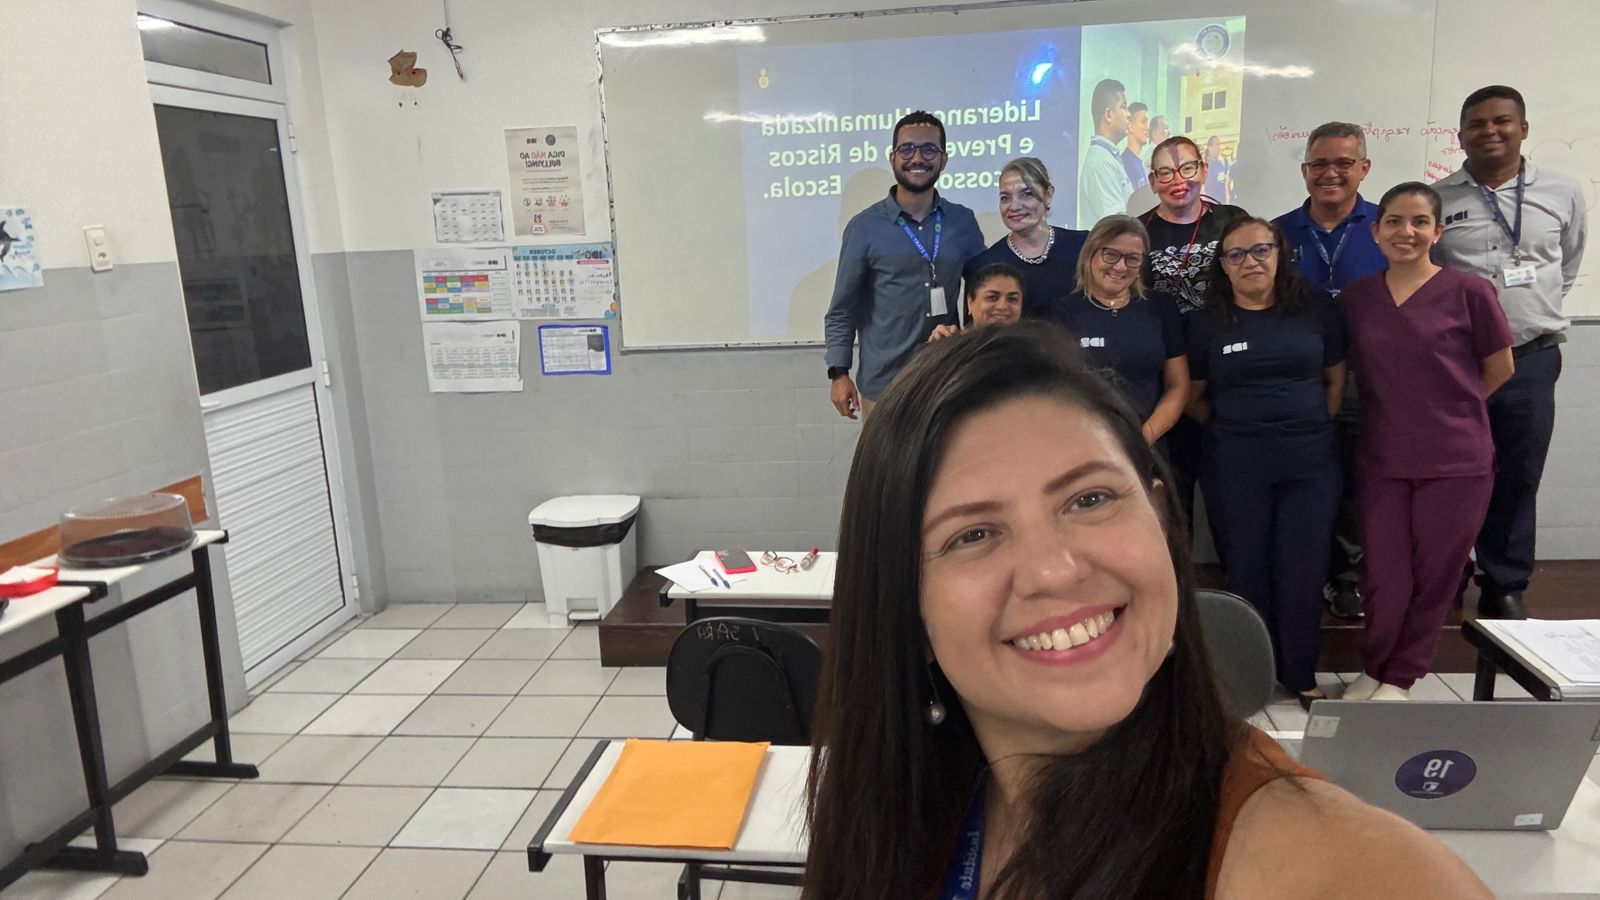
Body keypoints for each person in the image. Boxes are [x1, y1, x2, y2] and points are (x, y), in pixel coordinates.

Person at [799, 321, 1491, 900]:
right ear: (905, 609)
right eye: (972, 534)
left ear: (1162, 515)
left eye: (1090, 499)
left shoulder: (1349, 875)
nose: (1054, 569)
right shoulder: (903, 815)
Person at [1339, 183, 1515, 702]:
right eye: (1394, 221)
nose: (1406, 232)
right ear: (1376, 231)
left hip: (1456, 460)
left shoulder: (1469, 292)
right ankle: (1376, 666)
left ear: (1438, 231)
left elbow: (1499, 367)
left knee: (1435, 575)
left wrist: (1449, 411)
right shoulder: (1357, 299)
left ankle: (1403, 675)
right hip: (1383, 456)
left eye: (1419, 222)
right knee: (1384, 576)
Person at [1434, 85, 1588, 619]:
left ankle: (1505, 581)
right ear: (1460, 136)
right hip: (1456, 365)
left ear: (1523, 128)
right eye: (1477, 124)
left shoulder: (1563, 191)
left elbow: (1565, 267)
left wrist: (1522, 315)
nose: (1490, 131)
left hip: (1530, 357)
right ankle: (1448, 574)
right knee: (1452, 474)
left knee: (1519, 474)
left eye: (1502, 121)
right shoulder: (1439, 199)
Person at [1187, 218, 1347, 709]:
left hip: (1310, 463)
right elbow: (1193, 397)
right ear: (1222, 266)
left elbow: (1335, 382)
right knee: (1247, 571)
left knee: (1301, 570)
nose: (1250, 261)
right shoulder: (1206, 321)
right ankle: (1248, 677)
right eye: (1236, 254)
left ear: (1280, 253)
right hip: (1236, 463)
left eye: (1260, 250)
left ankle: (1300, 673)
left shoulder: (1316, 309)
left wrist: (1302, 425)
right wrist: (1240, 428)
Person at [1272, 122, 1389, 622]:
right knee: (1308, 481)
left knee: (1360, 481)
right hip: (1301, 380)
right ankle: (1305, 575)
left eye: (1343, 163)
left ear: (1364, 168)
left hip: (1371, 378)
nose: (1331, 173)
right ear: (1304, 172)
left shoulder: (1388, 226)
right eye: (1319, 164)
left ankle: (1347, 579)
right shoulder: (1277, 233)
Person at [824, 111, 986, 420]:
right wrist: (839, 373)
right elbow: (842, 309)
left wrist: (969, 337)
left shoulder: (962, 222)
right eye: (907, 149)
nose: (917, 158)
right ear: (892, 158)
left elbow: (982, 293)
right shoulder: (864, 228)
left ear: (943, 159)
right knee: (884, 470)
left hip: (945, 381)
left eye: (929, 150)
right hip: (884, 386)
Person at [1140, 135, 1248, 531]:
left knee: (1233, 485)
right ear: (1152, 182)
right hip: (1166, 373)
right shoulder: (1140, 232)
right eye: (1165, 172)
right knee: (1175, 485)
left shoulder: (1231, 221)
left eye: (1186, 168)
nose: (1177, 180)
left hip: (1227, 366)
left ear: (1203, 170)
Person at [1053, 216, 1187, 447]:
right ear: (1090, 253)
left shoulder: (1161, 307)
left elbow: (1178, 385)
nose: (1120, 266)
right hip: (1084, 445)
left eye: (1132, 258)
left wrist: (1144, 439)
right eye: (1111, 255)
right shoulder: (1062, 313)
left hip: (1148, 447)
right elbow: (1055, 389)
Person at [964, 157, 1087, 325]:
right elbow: (975, 332)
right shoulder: (984, 265)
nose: (1014, 206)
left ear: (1048, 195)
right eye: (1005, 198)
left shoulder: (1084, 247)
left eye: (1027, 194)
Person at [1078, 78, 1134, 227]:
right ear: (1108, 114)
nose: (1129, 114)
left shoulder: (1108, 157)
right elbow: (1116, 227)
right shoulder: (1101, 163)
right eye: (1124, 107)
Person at [929, 264, 1024, 340]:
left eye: (1012, 299)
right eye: (992, 297)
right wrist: (938, 350)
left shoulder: (1033, 349)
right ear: (970, 303)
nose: (1002, 306)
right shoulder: (951, 346)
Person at [1121, 102, 1152, 191]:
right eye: (1143, 121)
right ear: (1130, 126)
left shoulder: (1140, 162)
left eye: (1148, 123)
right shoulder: (1125, 163)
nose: (1148, 127)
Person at [1205, 136, 1232, 205]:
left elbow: (1225, 183)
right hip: (1212, 204)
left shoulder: (1221, 163)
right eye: (1216, 144)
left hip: (1222, 203)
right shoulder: (1205, 165)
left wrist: (1227, 199)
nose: (1219, 147)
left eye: (1219, 145)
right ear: (1209, 147)